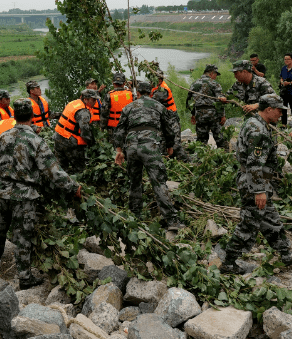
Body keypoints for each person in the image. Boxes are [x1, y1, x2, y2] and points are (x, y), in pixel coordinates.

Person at [0, 99, 82, 289]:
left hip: (3, 191)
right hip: (24, 195)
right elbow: (54, 172)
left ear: (14, 116)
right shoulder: (36, 141)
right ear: (32, 116)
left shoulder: (3, 137)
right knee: (23, 235)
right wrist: (73, 188)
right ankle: (24, 277)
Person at [221, 94, 292, 274]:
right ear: (268, 109)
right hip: (253, 183)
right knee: (249, 223)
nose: (280, 114)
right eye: (278, 111)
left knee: (270, 218)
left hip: (256, 181)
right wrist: (259, 190)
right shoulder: (258, 131)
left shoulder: (257, 123)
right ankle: (228, 263)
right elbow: (254, 163)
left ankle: (286, 254)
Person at [114, 80, 182, 231]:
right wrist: (170, 147)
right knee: (158, 182)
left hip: (131, 148)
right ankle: (172, 221)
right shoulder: (159, 106)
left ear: (137, 93)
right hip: (150, 147)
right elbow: (169, 129)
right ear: (151, 93)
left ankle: (134, 218)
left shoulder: (128, 107)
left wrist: (119, 151)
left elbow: (118, 131)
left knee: (135, 182)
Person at [53, 89, 99, 174]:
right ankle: (79, 184)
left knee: (61, 168)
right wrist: (92, 143)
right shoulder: (83, 112)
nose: (95, 102)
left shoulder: (74, 103)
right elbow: (85, 131)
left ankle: (63, 184)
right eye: (93, 100)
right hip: (69, 141)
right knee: (80, 168)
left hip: (58, 137)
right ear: (85, 99)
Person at [187, 64, 228, 150]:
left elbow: (190, 101)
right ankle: (225, 157)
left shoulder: (194, 84)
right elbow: (220, 101)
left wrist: (193, 114)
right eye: (216, 75)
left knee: (201, 141)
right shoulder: (214, 83)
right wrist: (222, 115)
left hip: (199, 114)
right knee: (220, 139)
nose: (216, 77)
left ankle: (200, 159)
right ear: (211, 73)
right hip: (213, 115)